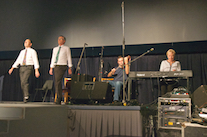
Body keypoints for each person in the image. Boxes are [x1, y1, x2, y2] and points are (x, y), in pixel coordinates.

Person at [8, 39, 40, 103]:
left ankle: (26, 96)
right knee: (22, 83)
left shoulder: (32, 51)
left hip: (28, 67)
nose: (25, 43)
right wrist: (12, 68)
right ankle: (26, 95)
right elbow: (18, 60)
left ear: (30, 44)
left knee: (25, 81)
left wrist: (36, 70)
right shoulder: (22, 52)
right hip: (22, 67)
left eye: (27, 42)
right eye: (25, 42)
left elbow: (35, 60)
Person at [49, 35, 72, 105]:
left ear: (64, 41)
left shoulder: (66, 48)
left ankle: (59, 98)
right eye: (58, 39)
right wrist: (51, 67)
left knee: (58, 81)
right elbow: (53, 58)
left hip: (62, 65)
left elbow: (69, 57)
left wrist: (70, 67)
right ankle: (59, 97)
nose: (59, 40)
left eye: (61, 39)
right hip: (56, 65)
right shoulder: (55, 49)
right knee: (57, 81)